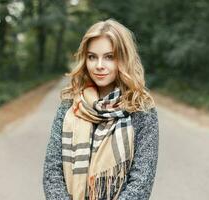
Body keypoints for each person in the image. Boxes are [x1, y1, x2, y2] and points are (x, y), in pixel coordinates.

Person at [43, 18, 159, 200]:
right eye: (92, 57)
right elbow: (52, 172)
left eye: (109, 57)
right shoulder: (69, 105)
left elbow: (141, 181)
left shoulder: (142, 109)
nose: (99, 65)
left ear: (123, 58)